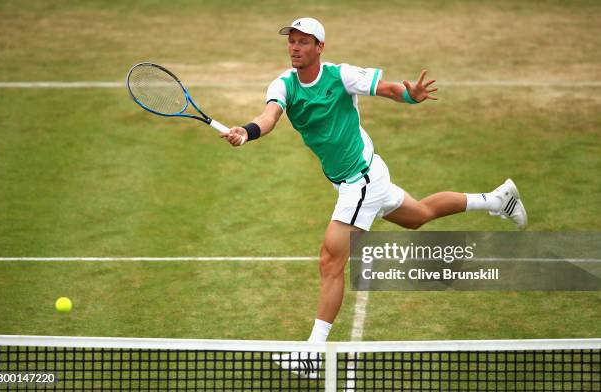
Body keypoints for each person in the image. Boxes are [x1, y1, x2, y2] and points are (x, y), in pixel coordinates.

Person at [222, 17, 527, 377]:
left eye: (304, 42)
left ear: (320, 47)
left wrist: (411, 95)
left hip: (362, 179)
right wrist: (249, 131)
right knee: (419, 215)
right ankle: (496, 200)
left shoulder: (341, 76)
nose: (295, 48)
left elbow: (388, 89)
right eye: (292, 41)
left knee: (329, 261)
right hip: (355, 178)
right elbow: (269, 116)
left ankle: (311, 353)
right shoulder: (284, 84)